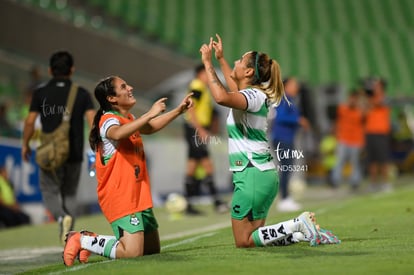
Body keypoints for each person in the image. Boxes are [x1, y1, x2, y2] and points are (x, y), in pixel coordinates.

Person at [199, 34, 320, 248]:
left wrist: (207, 63)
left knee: (243, 241)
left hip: (251, 174)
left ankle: (297, 224)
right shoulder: (253, 95)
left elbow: (220, 97)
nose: (235, 62)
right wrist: (221, 59)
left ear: (248, 71)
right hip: (261, 174)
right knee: (255, 238)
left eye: (239, 60)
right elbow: (233, 87)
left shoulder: (253, 97)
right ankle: (299, 234)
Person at [62, 76, 193, 266]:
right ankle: (82, 239)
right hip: (120, 195)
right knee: (132, 253)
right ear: (112, 98)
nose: (130, 88)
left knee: (151, 250)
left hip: (138, 195)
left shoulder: (128, 118)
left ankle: (89, 242)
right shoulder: (107, 120)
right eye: (123, 86)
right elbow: (118, 133)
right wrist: (149, 113)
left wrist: (178, 111)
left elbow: (149, 127)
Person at [21, 51, 95, 244]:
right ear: (72, 70)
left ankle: (61, 217)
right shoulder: (82, 93)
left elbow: (30, 122)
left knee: (49, 189)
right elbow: (92, 122)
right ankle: (69, 236)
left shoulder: (40, 93)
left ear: (50, 70)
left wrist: (25, 144)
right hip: (74, 152)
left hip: (50, 152)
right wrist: (96, 148)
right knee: (70, 192)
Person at [183, 64, 227, 215]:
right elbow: (190, 107)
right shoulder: (197, 86)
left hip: (193, 129)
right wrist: (200, 129)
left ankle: (188, 204)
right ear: (200, 74)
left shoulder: (201, 87)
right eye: (207, 73)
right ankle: (217, 202)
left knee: (193, 165)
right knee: (207, 164)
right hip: (195, 129)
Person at [270, 77, 310, 212]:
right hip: (282, 138)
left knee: (287, 167)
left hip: (287, 137)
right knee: (286, 167)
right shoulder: (284, 99)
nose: (296, 86)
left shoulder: (291, 99)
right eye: (293, 84)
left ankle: (286, 197)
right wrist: (298, 119)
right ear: (286, 86)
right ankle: (284, 199)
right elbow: (280, 117)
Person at [331, 90, 365, 190]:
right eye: (352, 98)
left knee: (354, 162)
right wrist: (336, 135)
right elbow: (336, 122)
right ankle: (335, 180)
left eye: (355, 99)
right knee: (339, 160)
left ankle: (355, 181)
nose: (353, 101)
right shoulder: (342, 108)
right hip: (343, 139)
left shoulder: (360, 111)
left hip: (356, 140)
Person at [364, 79, 392, 192]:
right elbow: (363, 112)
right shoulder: (369, 100)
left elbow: (378, 103)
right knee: (372, 160)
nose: (374, 87)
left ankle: (385, 183)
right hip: (370, 133)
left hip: (381, 133)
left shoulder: (385, 98)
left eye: (377, 86)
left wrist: (366, 97)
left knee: (383, 160)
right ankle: (373, 183)